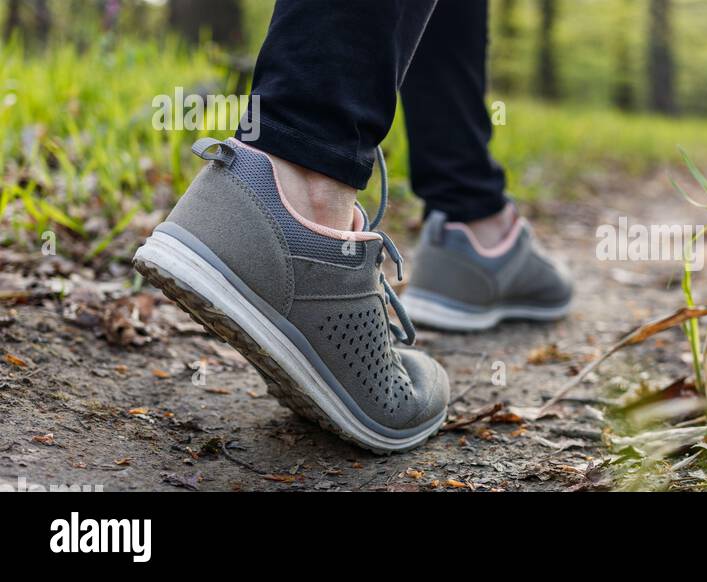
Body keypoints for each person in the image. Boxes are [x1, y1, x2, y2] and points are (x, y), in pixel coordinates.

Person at [131, 0, 572, 453]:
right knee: (310, 150)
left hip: (453, 193)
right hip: (303, 159)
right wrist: (311, 139)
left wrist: (467, 195)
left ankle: (470, 209)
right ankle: (306, 175)